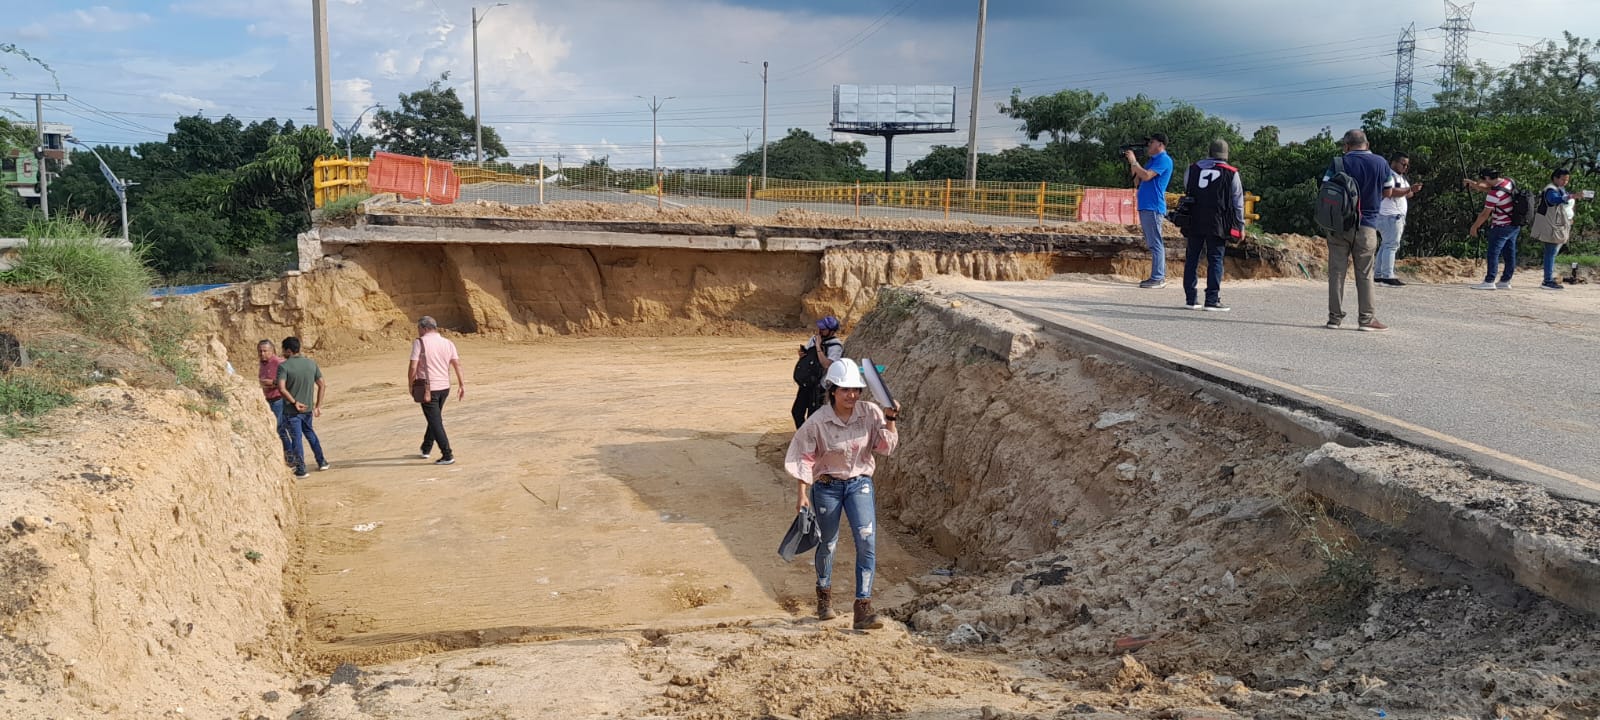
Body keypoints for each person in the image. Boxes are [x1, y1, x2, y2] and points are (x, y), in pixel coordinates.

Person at [784, 358, 899, 631]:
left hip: (859, 483)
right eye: (846, 390)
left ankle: (863, 607)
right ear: (832, 390)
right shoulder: (817, 422)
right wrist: (802, 493)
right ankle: (824, 596)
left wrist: (891, 419)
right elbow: (804, 457)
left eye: (856, 390)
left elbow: (884, 447)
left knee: (866, 541)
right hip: (827, 487)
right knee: (829, 542)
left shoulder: (870, 413)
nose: (852, 395)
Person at [1321, 130, 1391, 331]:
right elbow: (1387, 190)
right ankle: (1366, 319)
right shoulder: (1380, 163)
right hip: (1367, 224)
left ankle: (1334, 318)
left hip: (1339, 225)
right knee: (1365, 273)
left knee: (1336, 272)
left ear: (1346, 145)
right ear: (1366, 144)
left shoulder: (1338, 163)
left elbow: (1325, 189)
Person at [1177, 139, 1244, 312]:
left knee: (1192, 257)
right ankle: (1212, 299)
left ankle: (1191, 299)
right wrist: (1240, 225)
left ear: (1209, 152)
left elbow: (1187, 188)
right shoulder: (1231, 173)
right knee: (1215, 259)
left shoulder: (1193, 169)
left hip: (1194, 219)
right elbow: (1238, 202)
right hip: (1219, 221)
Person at [408, 316, 466, 466]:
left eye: (419, 329)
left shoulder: (419, 343)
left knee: (435, 421)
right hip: (444, 387)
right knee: (434, 418)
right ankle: (426, 448)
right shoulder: (448, 343)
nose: (418, 332)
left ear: (425, 328)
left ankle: (447, 455)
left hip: (428, 389)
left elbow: (413, 366)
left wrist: (410, 384)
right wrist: (461, 384)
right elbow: (457, 364)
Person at [1125, 132, 1175, 289]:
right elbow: (1138, 180)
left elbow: (1146, 176)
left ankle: (1158, 277)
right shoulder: (1152, 161)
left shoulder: (1164, 160)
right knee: (1152, 242)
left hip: (1153, 206)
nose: (1148, 145)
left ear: (1160, 144)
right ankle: (1157, 276)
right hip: (1146, 205)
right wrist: (1133, 165)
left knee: (1155, 243)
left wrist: (1134, 161)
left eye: (1151, 142)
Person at [276, 337, 328, 479]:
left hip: (292, 411)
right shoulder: (311, 364)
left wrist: (294, 402)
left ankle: (301, 469)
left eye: (283, 350)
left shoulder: (284, 367)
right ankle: (321, 461)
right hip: (308, 409)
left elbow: (281, 388)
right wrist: (318, 406)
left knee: (296, 438)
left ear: (288, 350)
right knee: (310, 433)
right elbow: (322, 384)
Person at [1531, 169, 1586, 290]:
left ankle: (1548, 278)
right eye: (1563, 179)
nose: (1565, 182)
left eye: (1567, 180)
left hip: (1560, 225)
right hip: (1553, 226)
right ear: (1555, 178)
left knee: (1552, 252)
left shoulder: (1560, 189)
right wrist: (1572, 196)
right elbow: (1553, 200)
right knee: (1550, 252)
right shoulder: (1551, 190)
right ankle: (1547, 280)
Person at [1464, 168, 1519, 290]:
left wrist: (1474, 227)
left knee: (1493, 253)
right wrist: (1474, 185)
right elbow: (1491, 188)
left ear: (1487, 179)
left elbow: (1484, 214)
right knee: (1509, 253)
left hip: (1501, 225)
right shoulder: (1508, 182)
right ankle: (1506, 280)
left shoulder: (1493, 195)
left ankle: (1490, 280)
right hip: (1514, 224)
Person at [1374, 153, 1423, 287]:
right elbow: (1392, 192)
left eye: (1407, 165)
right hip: (1390, 215)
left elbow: (1406, 194)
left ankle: (1378, 274)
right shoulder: (1389, 175)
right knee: (1391, 245)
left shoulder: (1400, 177)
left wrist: (1412, 190)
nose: (1405, 167)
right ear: (1394, 162)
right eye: (1403, 164)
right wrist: (1409, 189)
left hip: (1392, 215)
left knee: (1386, 245)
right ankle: (1387, 275)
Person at [791, 316, 844, 428]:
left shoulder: (836, 346)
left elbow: (827, 364)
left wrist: (818, 347)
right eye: (819, 328)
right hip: (806, 383)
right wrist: (802, 354)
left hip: (820, 386)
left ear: (831, 331)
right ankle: (803, 436)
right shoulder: (815, 339)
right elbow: (806, 354)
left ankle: (813, 441)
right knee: (797, 412)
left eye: (823, 329)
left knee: (813, 416)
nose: (820, 331)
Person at [257, 339, 295, 467]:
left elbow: (288, 380)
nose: (262, 353)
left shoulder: (279, 363)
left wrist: (272, 383)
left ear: (272, 351)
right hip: (268, 400)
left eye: (265, 351)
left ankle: (291, 458)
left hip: (279, 400)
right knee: (276, 429)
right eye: (260, 351)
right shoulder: (262, 363)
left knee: (280, 429)